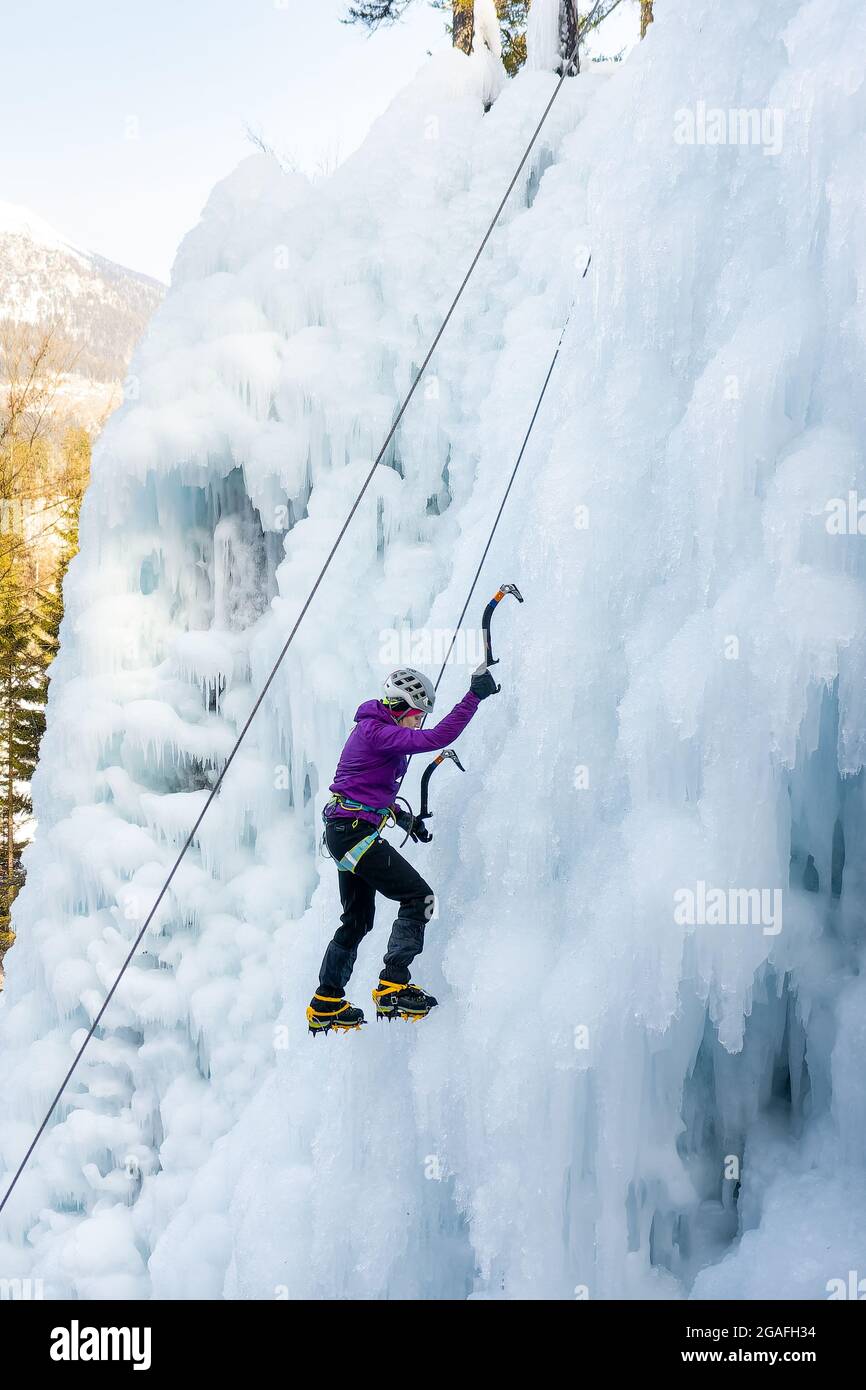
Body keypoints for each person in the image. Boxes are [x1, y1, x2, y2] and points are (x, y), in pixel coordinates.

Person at [307, 664, 498, 1033]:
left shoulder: (373, 730)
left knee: (358, 919)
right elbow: (436, 739)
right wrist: (474, 696)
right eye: (417, 715)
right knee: (419, 898)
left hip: (346, 831)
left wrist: (403, 818)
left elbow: (364, 788)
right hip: (353, 832)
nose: (419, 724)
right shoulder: (377, 730)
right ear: (403, 706)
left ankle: (326, 1001)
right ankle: (393, 984)